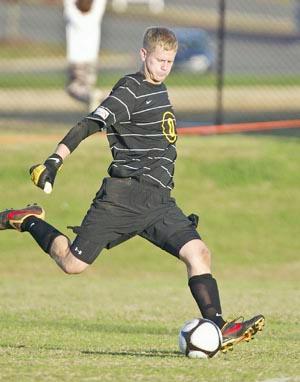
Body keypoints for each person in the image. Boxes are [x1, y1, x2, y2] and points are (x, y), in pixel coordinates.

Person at [0, 27, 264, 353]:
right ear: (143, 55)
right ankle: (27, 219)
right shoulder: (130, 90)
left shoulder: (160, 88)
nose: (165, 66)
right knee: (71, 264)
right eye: (159, 60)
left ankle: (219, 327)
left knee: (199, 254)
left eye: (170, 61)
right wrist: (54, 160)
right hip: (123, 198)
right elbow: (88, 124)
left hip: (158, 200)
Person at [64, 0, 107, 111]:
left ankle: (93, 96)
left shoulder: (73, 15)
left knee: (73, 89)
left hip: (76, 61)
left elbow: (68, 3)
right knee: (87, 87)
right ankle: (99, 98)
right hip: (92, 60)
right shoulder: (95, 15)